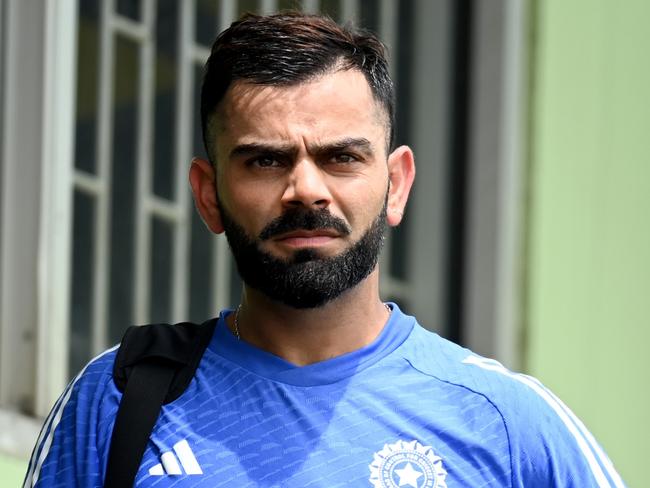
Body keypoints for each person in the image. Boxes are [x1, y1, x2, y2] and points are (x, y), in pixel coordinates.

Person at [25, 12, 624, 488]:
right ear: (208, 195)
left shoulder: (506, 422)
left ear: (397, 184)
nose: (305, 189)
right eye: (266, 159)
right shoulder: (119, 400)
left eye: (341, 157)